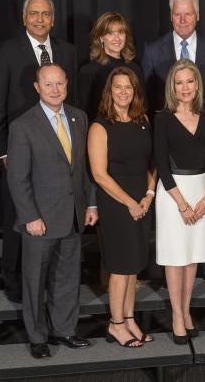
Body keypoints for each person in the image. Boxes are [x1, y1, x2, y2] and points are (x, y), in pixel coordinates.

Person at [0, 0, 77, 303]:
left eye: (46, 14)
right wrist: (4, 153)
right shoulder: (7, 53)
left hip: (59, 150)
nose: (40, 19)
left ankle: (52, 285)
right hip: (19, 151)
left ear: (53, 18)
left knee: (58, 216)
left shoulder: (68, 51)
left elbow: (72, 103)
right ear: (25, 18)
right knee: (19, 217)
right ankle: (13, 283)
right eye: (34, 14)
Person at [7, 63, 97, 359]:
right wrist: (29, 216)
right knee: (34, 281)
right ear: (37, 87)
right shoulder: (22, 126)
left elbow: (83, 170)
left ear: (67, 84)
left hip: (72, 215)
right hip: (40, 220)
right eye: (48, 85)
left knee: (67, 277)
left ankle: (65, 330)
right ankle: (36, 337)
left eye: (60, 83)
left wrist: (91, 203)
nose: (55, 90)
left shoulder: (79, 117)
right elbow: (17, 178)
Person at [88, 66, 155, 348]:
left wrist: (149, 195)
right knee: (119, 266)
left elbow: (153, 162)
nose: (124, 92)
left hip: (141, 201)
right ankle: (115, 324)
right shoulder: (100, 126)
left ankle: (129, 318)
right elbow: (99, 175)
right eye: (118, 87)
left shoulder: (143, 120)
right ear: (109, 91)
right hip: (117, 203)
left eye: (128, 87)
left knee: (132, 267)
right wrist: (129, 203)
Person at [154, 59, 205, 345]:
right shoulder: (163, 118)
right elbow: (162, 166)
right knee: (175, 258)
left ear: (198, 84)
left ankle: (187, 310)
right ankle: (177, 315)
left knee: (192, 257)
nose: (185, 87)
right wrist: (182, 204)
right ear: (172, 87)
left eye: (190, 81)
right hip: (172, 194)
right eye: (179, 82)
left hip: (202, 191)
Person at [141, 0, 205, 112]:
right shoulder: (152, 50)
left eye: (188, 14)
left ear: (197, 16)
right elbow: (146, 94)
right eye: (177, 14)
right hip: (166, 123)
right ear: (171, 16)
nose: (183, 20)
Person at [78, 12, 145, 121]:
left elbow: (142, 105)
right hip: (101, 131)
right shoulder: (88, 71)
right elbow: (83, 112)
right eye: (110, 33)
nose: (117, 38)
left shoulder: (135, 68)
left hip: (132, 128)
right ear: (100, 37)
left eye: (121, 32)